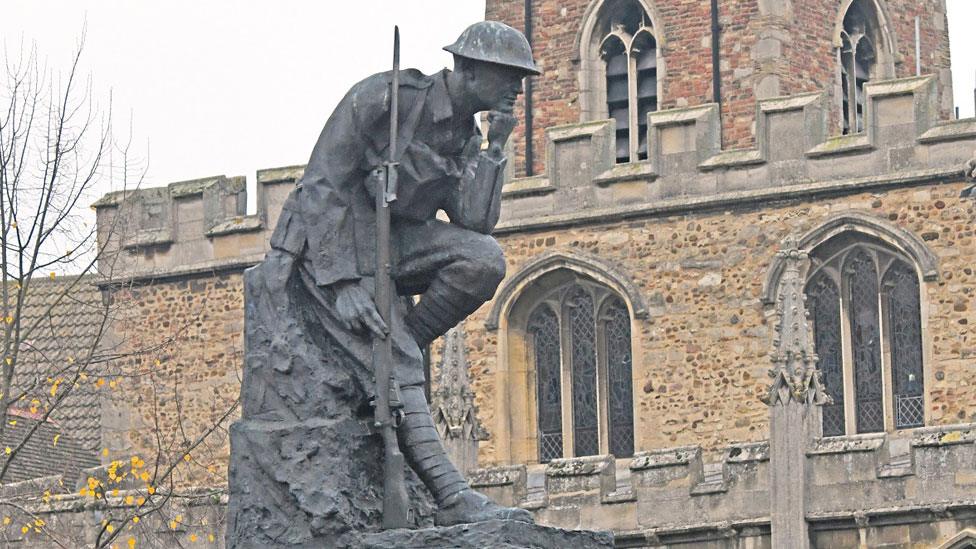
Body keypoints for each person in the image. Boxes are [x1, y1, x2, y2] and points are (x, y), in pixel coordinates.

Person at [262, 21, 540, 526]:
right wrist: (342, 284)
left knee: (484, 260)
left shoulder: (465, 134)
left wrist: (496, 148)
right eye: (509, 77)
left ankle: (396, 346)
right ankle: (452, 495)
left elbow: (475, 222)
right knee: (399, 357)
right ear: (473, 69)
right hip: (329, 247)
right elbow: (321, 186)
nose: (517, 90)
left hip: (395, 244)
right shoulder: (386, 99)